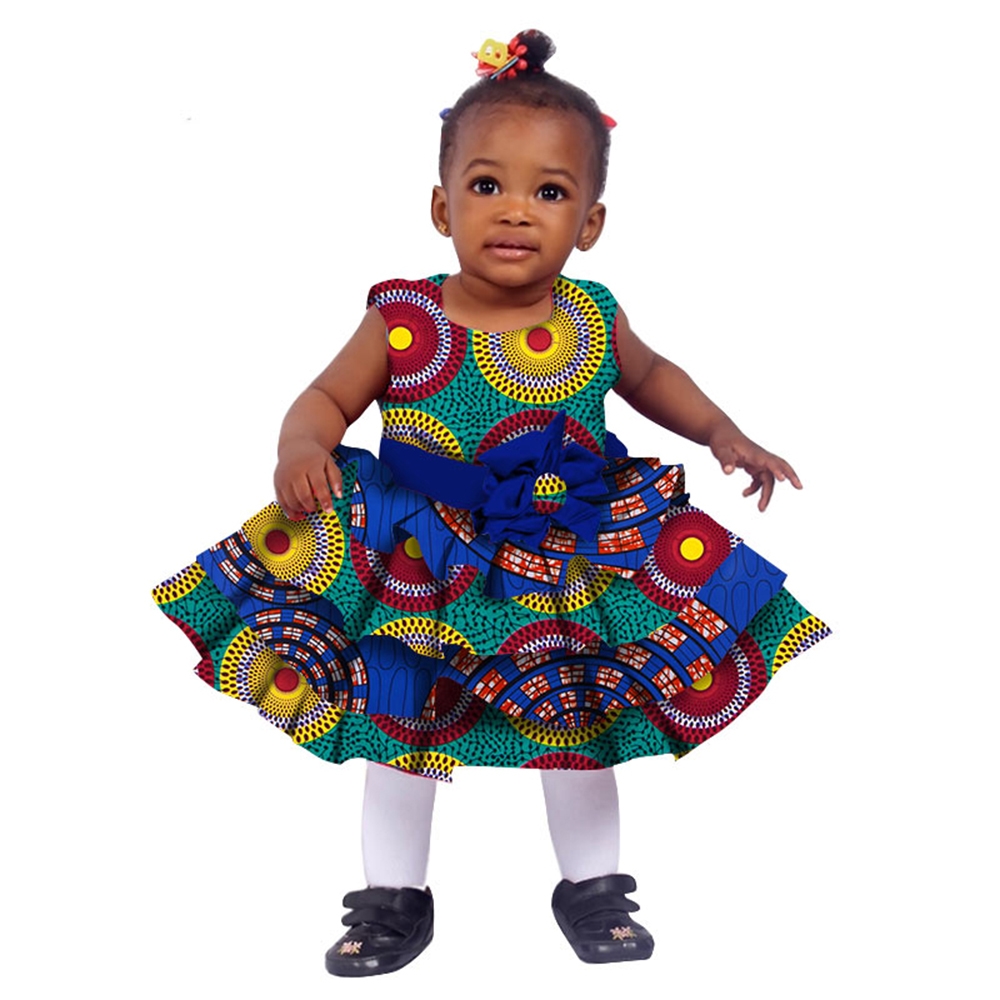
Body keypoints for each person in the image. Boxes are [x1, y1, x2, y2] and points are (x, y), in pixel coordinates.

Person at [152, 29, 830, 977]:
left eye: (549, 192)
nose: (515, 210)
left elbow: (653, 378)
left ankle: (595, 889)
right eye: (486, 185)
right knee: (401, 726)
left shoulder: (593, 316)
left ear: (590, 222)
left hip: (566, 558)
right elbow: (326, 398)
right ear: (441, 205)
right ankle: (391, 900)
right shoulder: (405, 318)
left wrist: (723, 431)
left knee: (578, 720)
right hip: (420, 562)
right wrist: (301, 445)